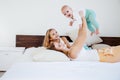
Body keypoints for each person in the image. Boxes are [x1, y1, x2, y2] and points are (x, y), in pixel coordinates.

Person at [43, 16, 120, 63]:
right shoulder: (72, 54)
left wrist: (80, 24)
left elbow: (79, 36)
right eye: (59, 45)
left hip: (103, 52)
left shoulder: (71, 50)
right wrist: (83, 17)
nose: (61, 43)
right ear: (59, 50)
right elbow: (83, 36)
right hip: (105, 56)